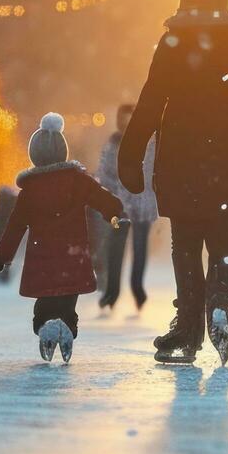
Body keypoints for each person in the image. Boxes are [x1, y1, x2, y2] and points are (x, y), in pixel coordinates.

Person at [119, 0, 228, 364]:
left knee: (185, 244)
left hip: (183, 157)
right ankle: (220, 300)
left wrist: (130, 154)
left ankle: (187, 331)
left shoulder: (174, 37)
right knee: (222, 238)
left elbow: (152, 98)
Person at [0, 114, 125, 363]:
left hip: (42, 261)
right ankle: (67, 329)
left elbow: (15, 227)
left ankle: (46, 325)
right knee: (67, 305)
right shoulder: (78, 180)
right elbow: (100, 196)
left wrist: (1, 257)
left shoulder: (30, 191)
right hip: (73, 257)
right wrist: (114, 210)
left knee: (44, 306)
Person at [96, 103, 158, 313]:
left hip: (142, 204)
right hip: (120, 205)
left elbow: (153, 170)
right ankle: (112, 292)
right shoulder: (114, 142)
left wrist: (150, 193)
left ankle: (137, 288)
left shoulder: (149, 141)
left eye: (130, 117)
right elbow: (104, 172)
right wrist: (115, 195)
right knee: (115, 248)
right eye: (123, 118)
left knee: (140, 248)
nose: (127, 122)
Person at [0, 183, 18, 284]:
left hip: (1, 232)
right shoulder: (13, 199)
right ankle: (4, 273)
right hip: (9, 231)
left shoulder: (2, 199)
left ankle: (1, 273)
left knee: (1, 247)